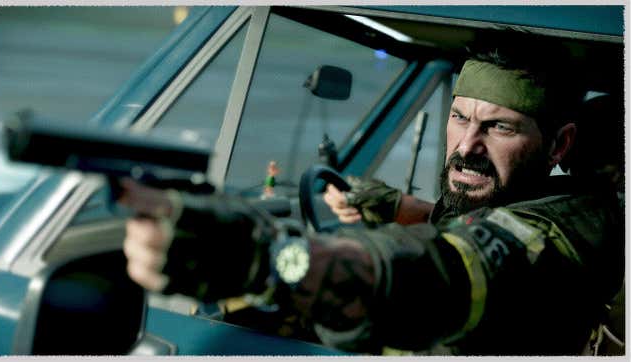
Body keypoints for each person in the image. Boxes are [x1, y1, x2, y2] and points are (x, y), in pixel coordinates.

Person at [120, 38, 624, 355]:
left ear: (559, 144)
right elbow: (452, 222)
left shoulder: (575, 226)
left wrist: (266, 259)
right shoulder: (512, 193)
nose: (468, 146)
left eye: (499, 127)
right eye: (460, 117)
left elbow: (444, 270)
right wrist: (388, 204)